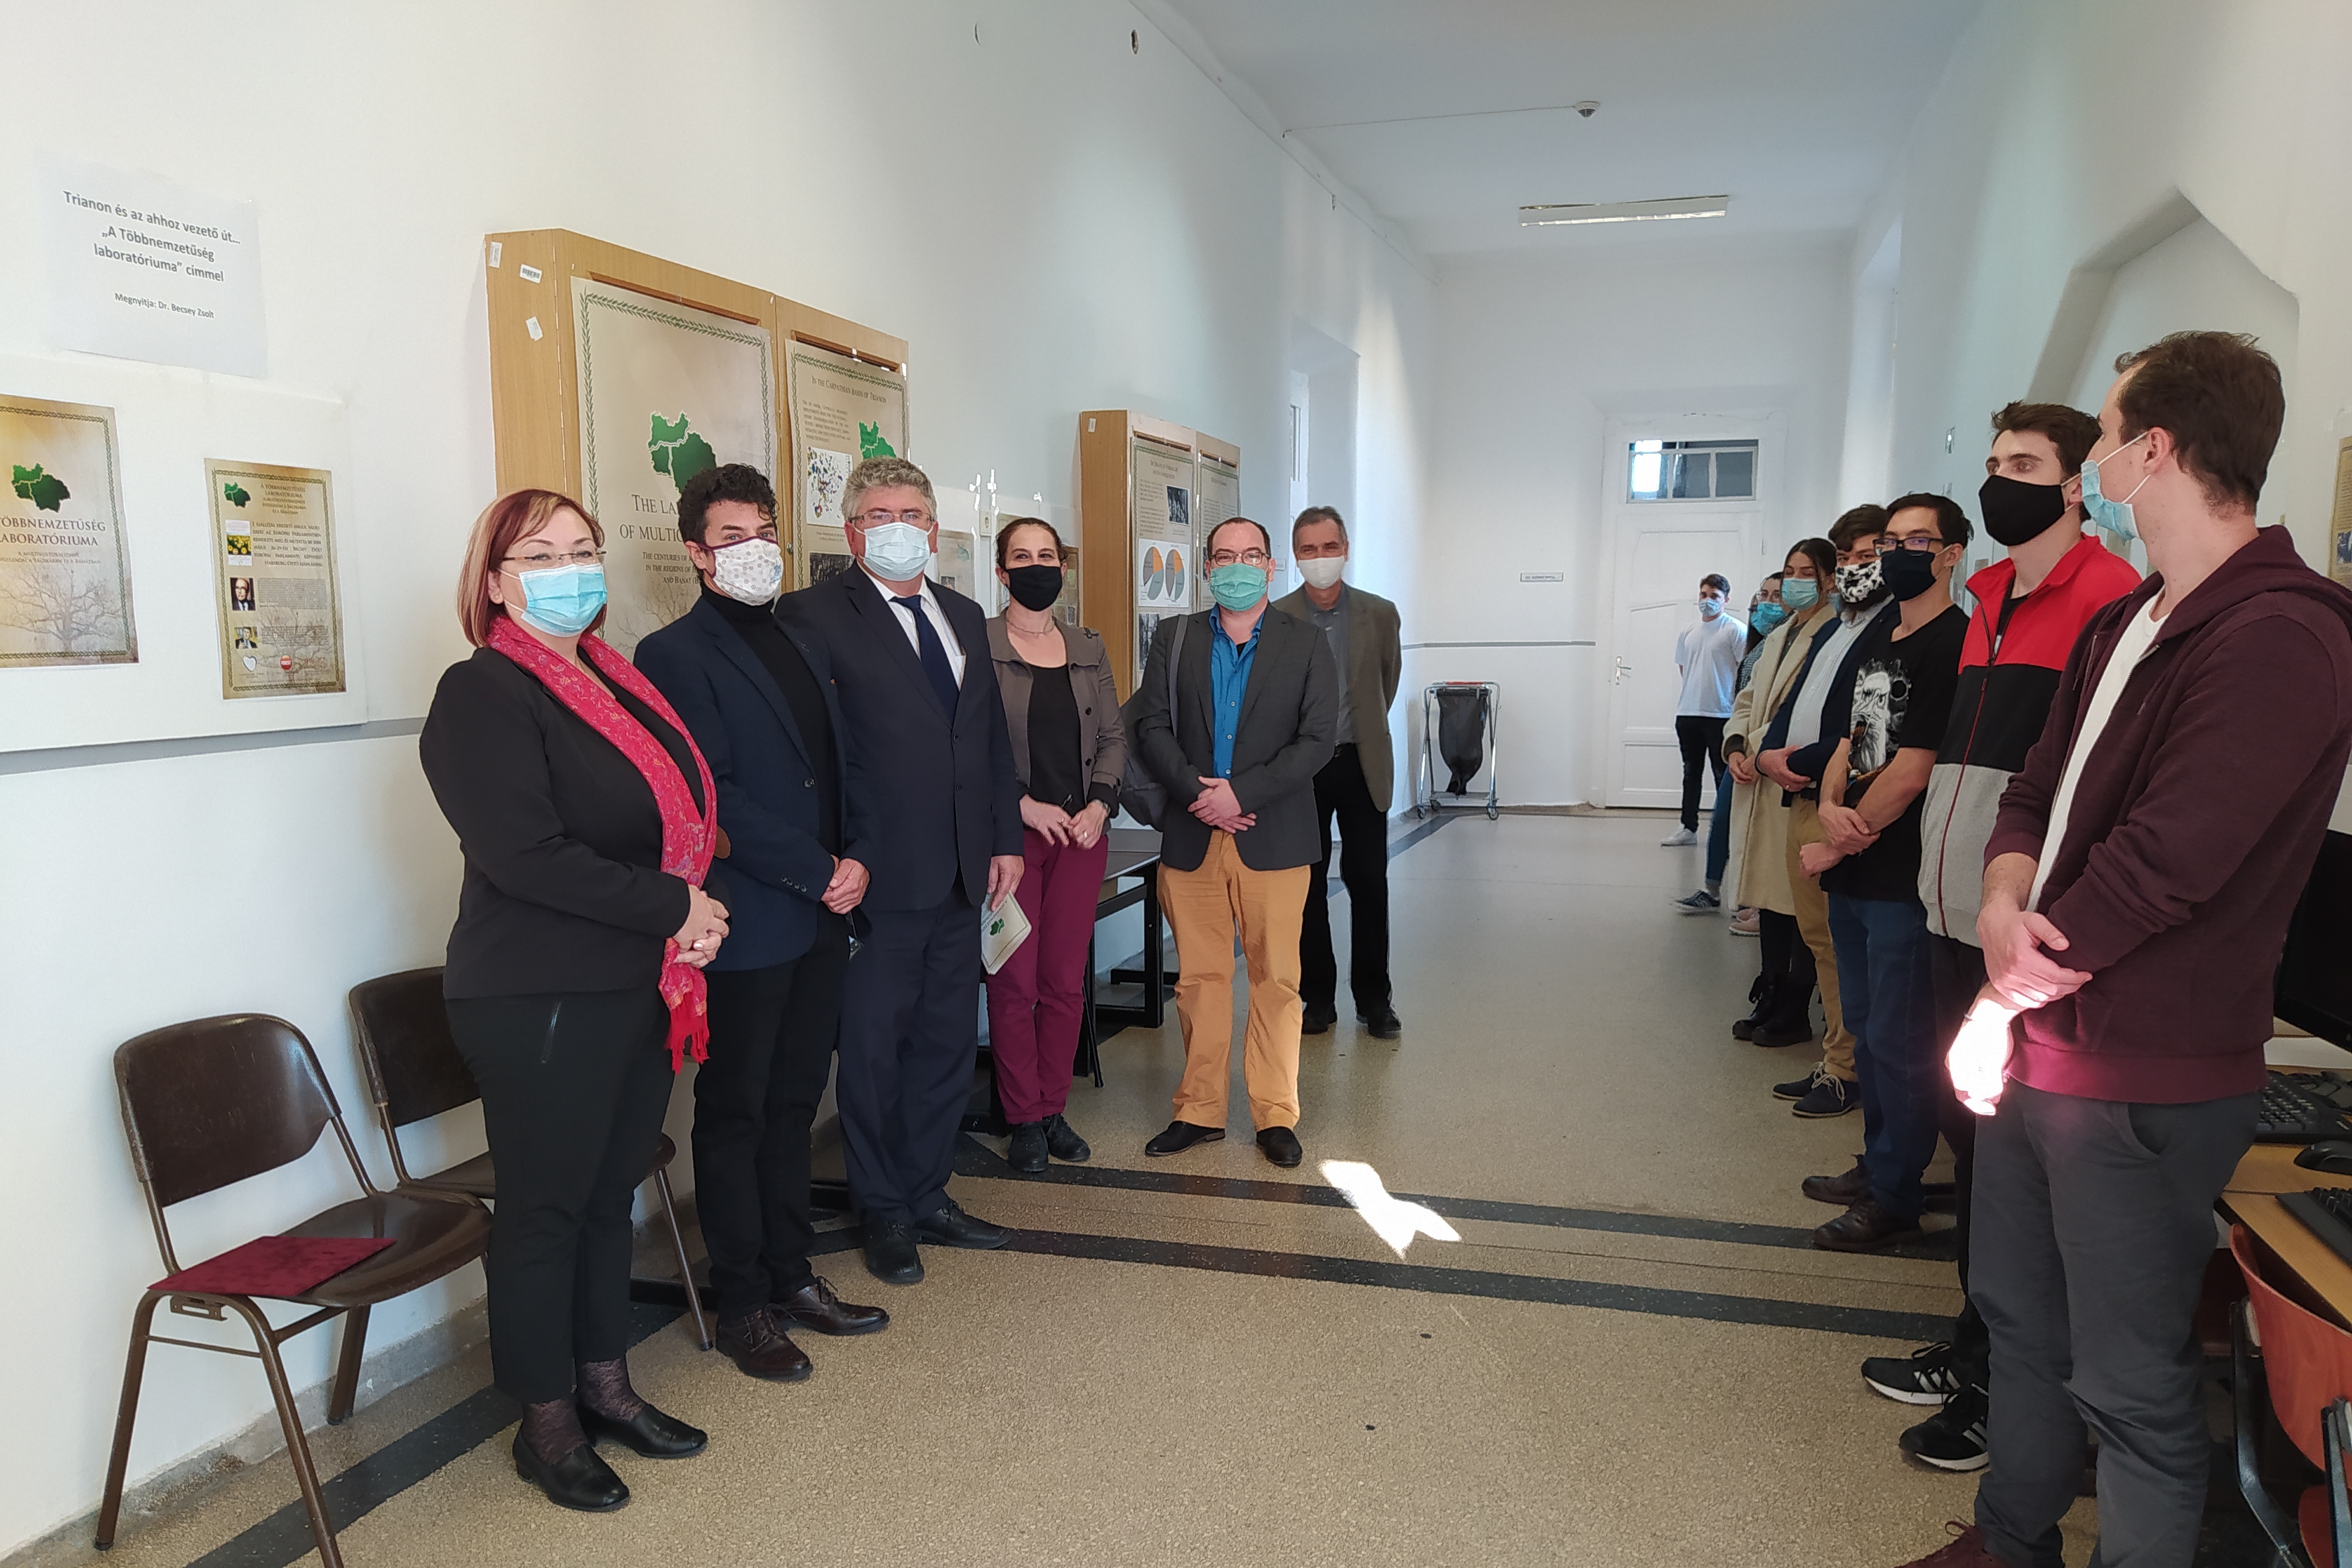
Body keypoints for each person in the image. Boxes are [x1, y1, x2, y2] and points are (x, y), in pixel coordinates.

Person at [1899, 333, 2352, 1568]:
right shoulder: (2128, 621)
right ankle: (2011, 1537)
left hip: (2138, 1072)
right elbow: (2032, 790)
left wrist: (2002, 985)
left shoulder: (2283, 633)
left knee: (2130, 1379)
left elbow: (2167, 862)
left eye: (2102, 436)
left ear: (2153, 449)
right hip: (2039, 1044)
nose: (2092, 460)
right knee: (2019, 1319)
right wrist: (2003, 895)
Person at [419, 489, 727, 1512]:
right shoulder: (483, 691)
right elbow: (527, 855)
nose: (569, 569)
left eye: (583, 549)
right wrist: (675, 907)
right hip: (539, 991)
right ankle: (545, 1422)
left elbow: (667, 818)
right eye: (540, 554)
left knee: (607, 1196)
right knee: (546, 1209)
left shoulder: (608, 676)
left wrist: (684, 915)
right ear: (495, 581)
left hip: (635, 978)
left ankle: (607, 1385)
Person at [1858, 404, 2138, 1471]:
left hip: (2020, 934)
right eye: (1991, 463)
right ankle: (1977, 1343)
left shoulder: (2109, 598)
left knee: (2017, 1170)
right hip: (1950, 910)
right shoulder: (1986, 599)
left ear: (2076, 485)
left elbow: (2084, 786)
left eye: (2023, 463)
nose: (1998, 480)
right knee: (1973, 1147)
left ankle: (2007, 1389)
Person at [633, 464, 888, 1384]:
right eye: (732, 536)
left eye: (764, 531)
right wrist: (819, 870)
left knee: (794, 1104)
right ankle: (742, 1299)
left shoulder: (801, 637)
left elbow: (842, 763)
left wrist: (858, 856)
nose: (754, 550)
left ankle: (793, 1273)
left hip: (821, 914)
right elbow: (713, 794)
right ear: (698, 553)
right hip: (747, 915)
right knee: (737, 1109)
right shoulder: (672, 654)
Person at [776, 457, 1025, 1286]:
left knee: (946, 1045)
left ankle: (927, 1192)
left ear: (934, 529)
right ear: (851, 532)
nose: (898, 527)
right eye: (879, 514)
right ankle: (881, 1206)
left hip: (962, 871)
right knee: (874, 1052)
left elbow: (986, 741)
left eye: (912, 514)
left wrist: (1005, 837)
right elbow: (817, 754)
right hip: (877, 877)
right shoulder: (812, 615)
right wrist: (839, 856)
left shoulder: (963, 614)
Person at [1792, 494, 1971, 1252]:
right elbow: (1850, 741)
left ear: (1951, 554)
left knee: (1901, 1044)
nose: (1897, 553)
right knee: (1867, 1033)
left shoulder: (1954, 643)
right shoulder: (1882, 636)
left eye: (1917, 541)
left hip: (1901, 878)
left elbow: (1912, 769)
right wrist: (1830, 804)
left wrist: (1840, 841)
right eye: (1890, 540)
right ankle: (1879, 1163)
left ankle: (1896, 1193)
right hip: (1855, 872)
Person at [1133, 516, 1337, 1167]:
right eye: (1224, 557)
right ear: (1207, 568)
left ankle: (1275, 1114)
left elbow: (1317, 741)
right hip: (1192, 833)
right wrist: (1200, 793)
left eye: (1251, 556)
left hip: (1273, 835)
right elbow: (1151, 725)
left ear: (1271, 567)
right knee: (1199, 979)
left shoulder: (1307, 644)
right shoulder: (1175, 637)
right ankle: (1199, 1109)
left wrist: (1240, 795)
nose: (1237, 567)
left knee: (1277, 979)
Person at [981, 517, 1126, 1174]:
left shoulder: (1088, 646)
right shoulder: (979, 646)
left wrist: (1100, 804)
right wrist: (1020, 805)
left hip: (1079, 836)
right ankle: (1021, 1118)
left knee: (1064, 982)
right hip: (1009, 840)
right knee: (1013, 981)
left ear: (1063, 569)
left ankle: (1051, 1108)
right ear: (1001, 571)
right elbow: (968, 746)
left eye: (1048, 555)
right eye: (1022, 556)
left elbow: (1113, 737)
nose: (1037, 566)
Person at [1752, 505, 1891, 1116]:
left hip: (1840, 803)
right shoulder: (1838, 627)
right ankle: (1837, 1058)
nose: (1857, 567)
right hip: (1801, 792)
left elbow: (1862, 731)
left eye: (1870, 554)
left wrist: (1798, 760)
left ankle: (1849, 1068)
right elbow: (1796, 702)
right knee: (1819, 938)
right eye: (1849, 557)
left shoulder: (1891, 629)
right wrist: (1768, 753)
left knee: (1840, 944)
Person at [1274, 504, 1404, 1037]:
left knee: (1369, 881)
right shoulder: (1278, 617)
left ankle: (1375, 1000)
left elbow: (1385, 683)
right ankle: (1318, 999)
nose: (1320, 558)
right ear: (1296, 555)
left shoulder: (1380, 613)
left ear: (1345, 549)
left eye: (1329, 547)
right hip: (1302, 771)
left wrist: (1359, 728)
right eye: (1309, 549)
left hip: (1361, 762)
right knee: (1306, 886)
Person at [1715, 545, 1836, 1044]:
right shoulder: (1780, 634)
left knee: (1797, 900)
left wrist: (1761, 751)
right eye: (1790, 572)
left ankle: (1796, 1003)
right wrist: (1736, 744)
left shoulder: (1831, 633)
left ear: (1828, 580)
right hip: (1758, 771)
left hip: (1792, 775)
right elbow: (1747, 700)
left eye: (1808, 573)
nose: (1795, 582)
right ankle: (1770, 988)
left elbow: (1806, 712)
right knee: (1769, 897)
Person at [1681, 571, 1787, 917]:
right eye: (1764, 595)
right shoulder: (1759, 643)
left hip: (1771, 747)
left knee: (1762, 828)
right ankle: (1712, 889)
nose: (1768, 603)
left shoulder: (1777, 641)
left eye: (1777, 595)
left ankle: (1758, 902)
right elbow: (1745, 698)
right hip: (1740, 741)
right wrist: (1738, 744)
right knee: (1724, 814)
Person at [1663, 573, 1745, 845]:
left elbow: (1745, 671)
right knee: (1691, 773)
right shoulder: (1687, 631)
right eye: (1704, 595)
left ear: (1726, 600)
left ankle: (1727, 832)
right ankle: (1688, 828)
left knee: (1722, 774)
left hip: (1721, 715)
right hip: (1688, 713)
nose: (1708, 600)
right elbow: (1683, 667)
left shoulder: (1734, 630)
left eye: (1714, 596)